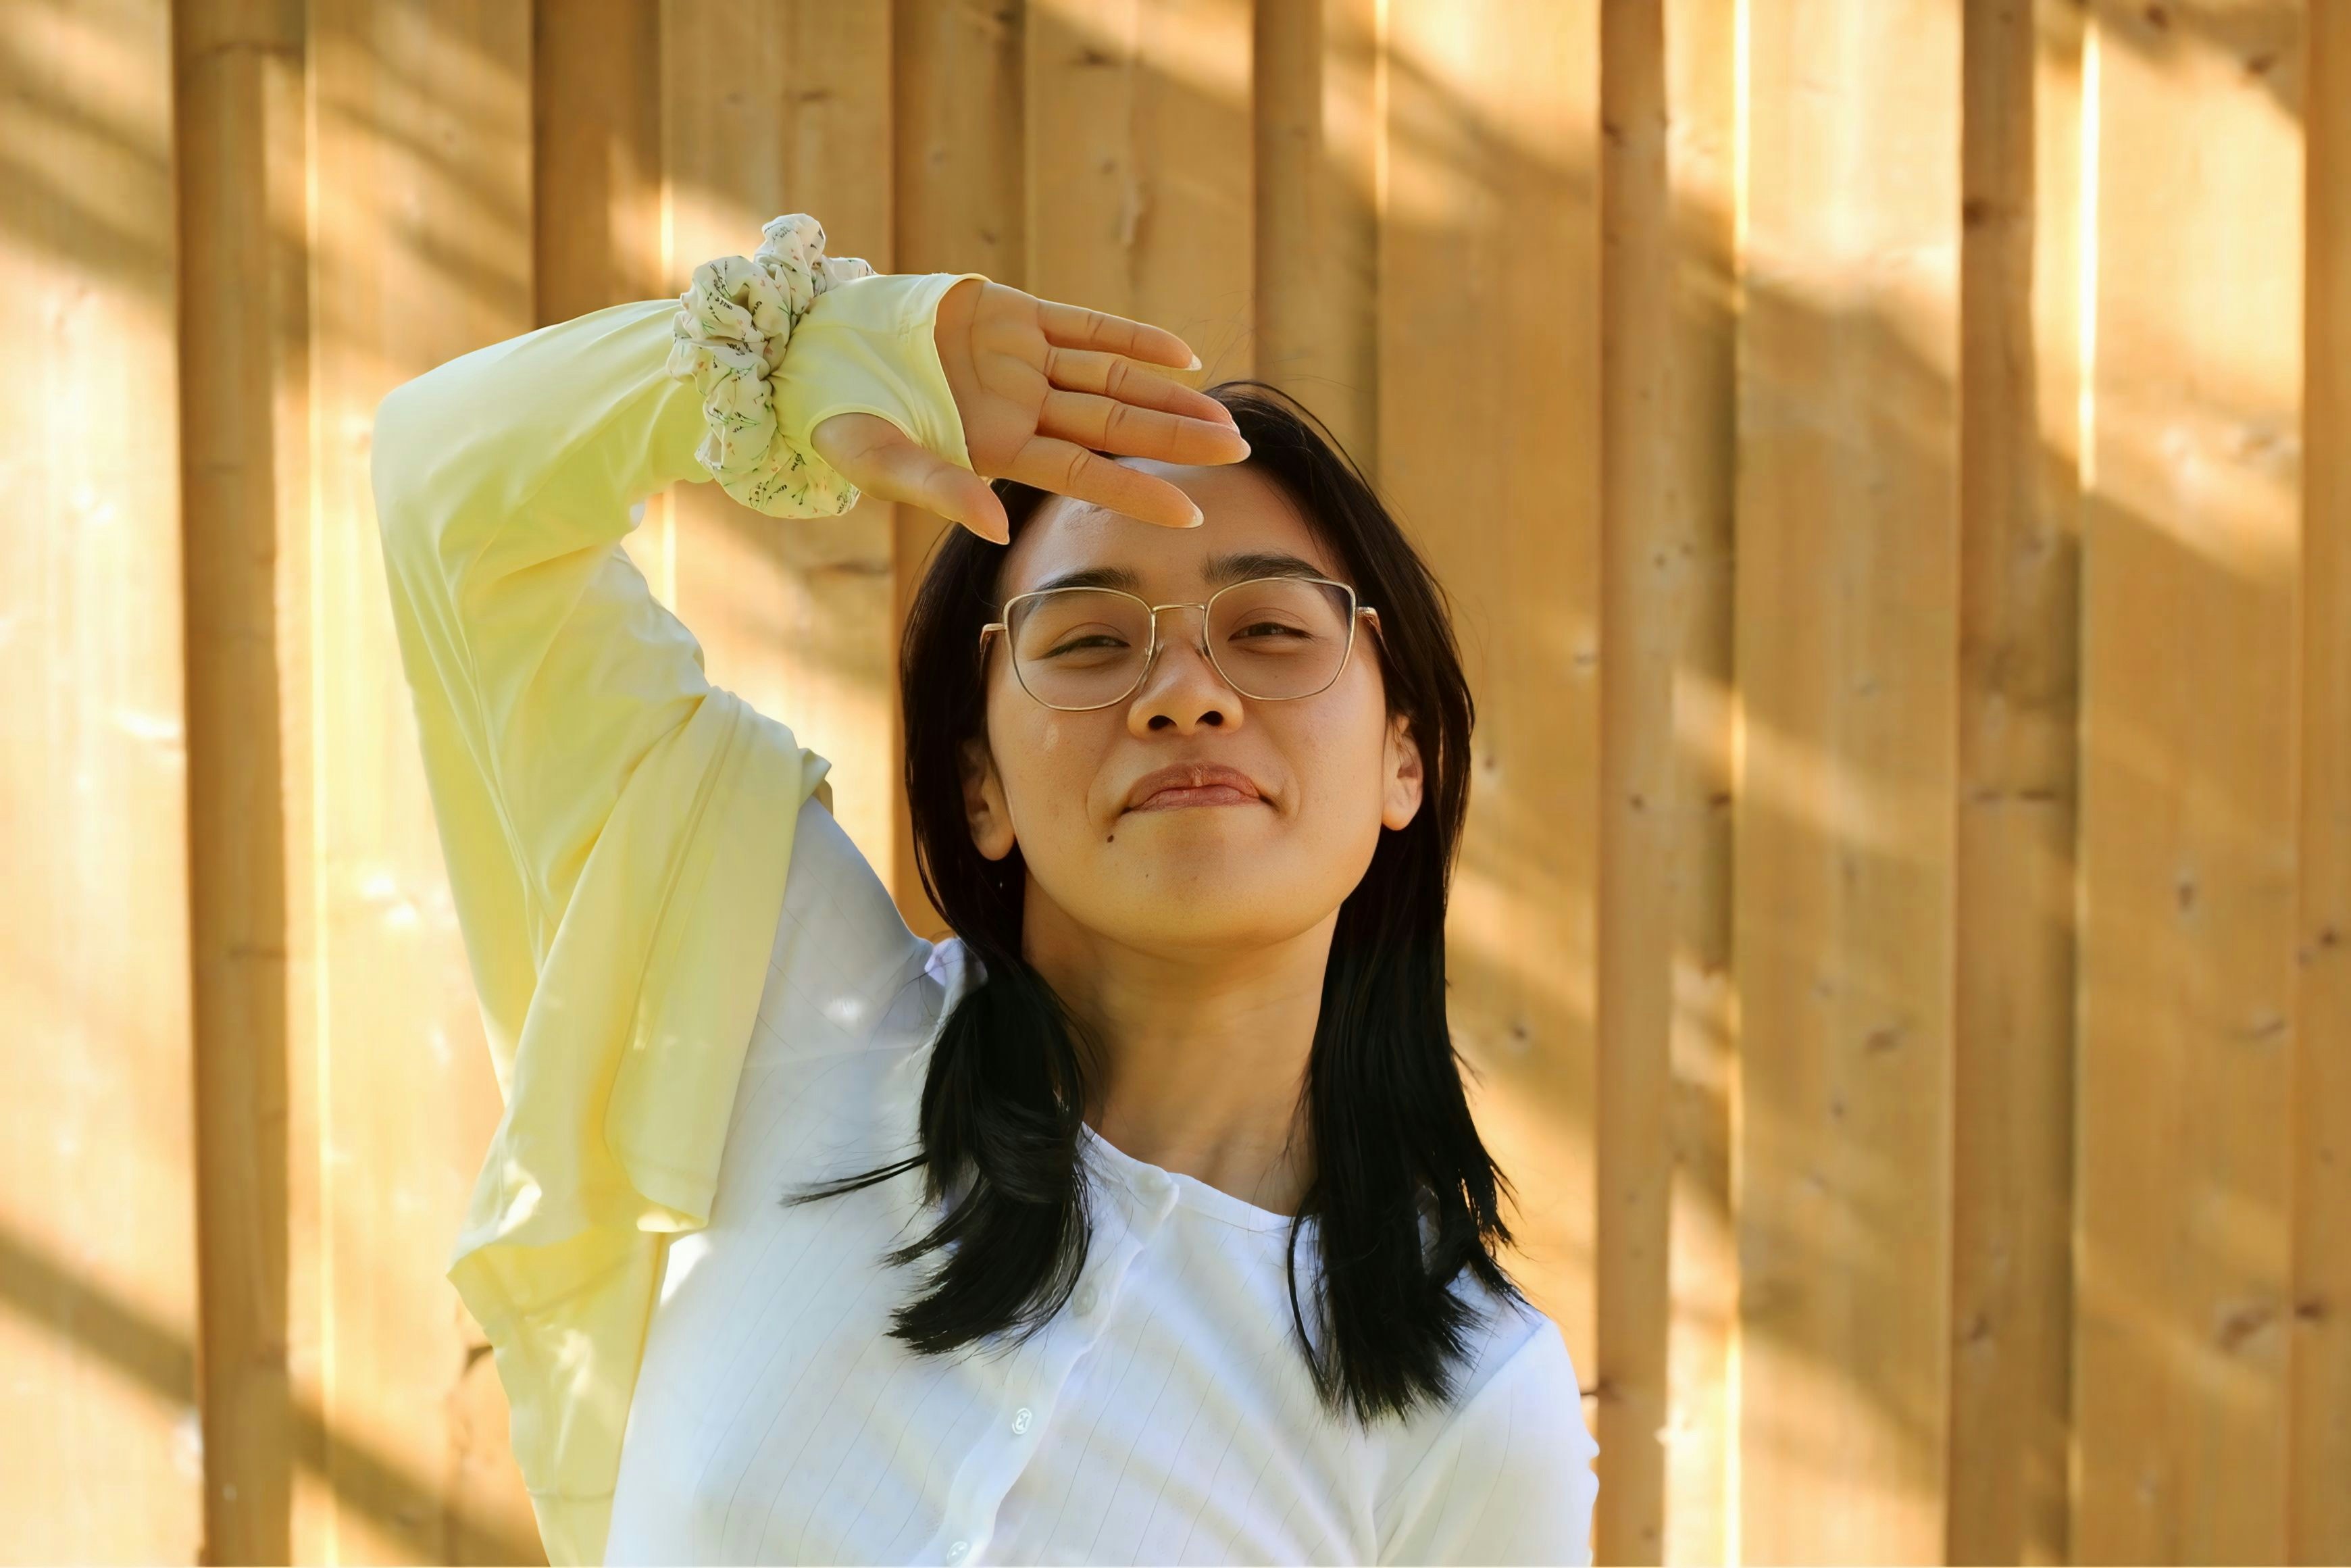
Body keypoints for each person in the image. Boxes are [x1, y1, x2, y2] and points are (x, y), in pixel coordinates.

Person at [372, 213, 1598, 1567]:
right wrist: (816, 357)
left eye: (1268, 632)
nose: (1187, 695)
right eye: (1086, 641)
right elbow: (449, 491)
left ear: (1404, 759)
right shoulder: (777, 1004)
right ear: (981, 788)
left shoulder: (1475, 1405)